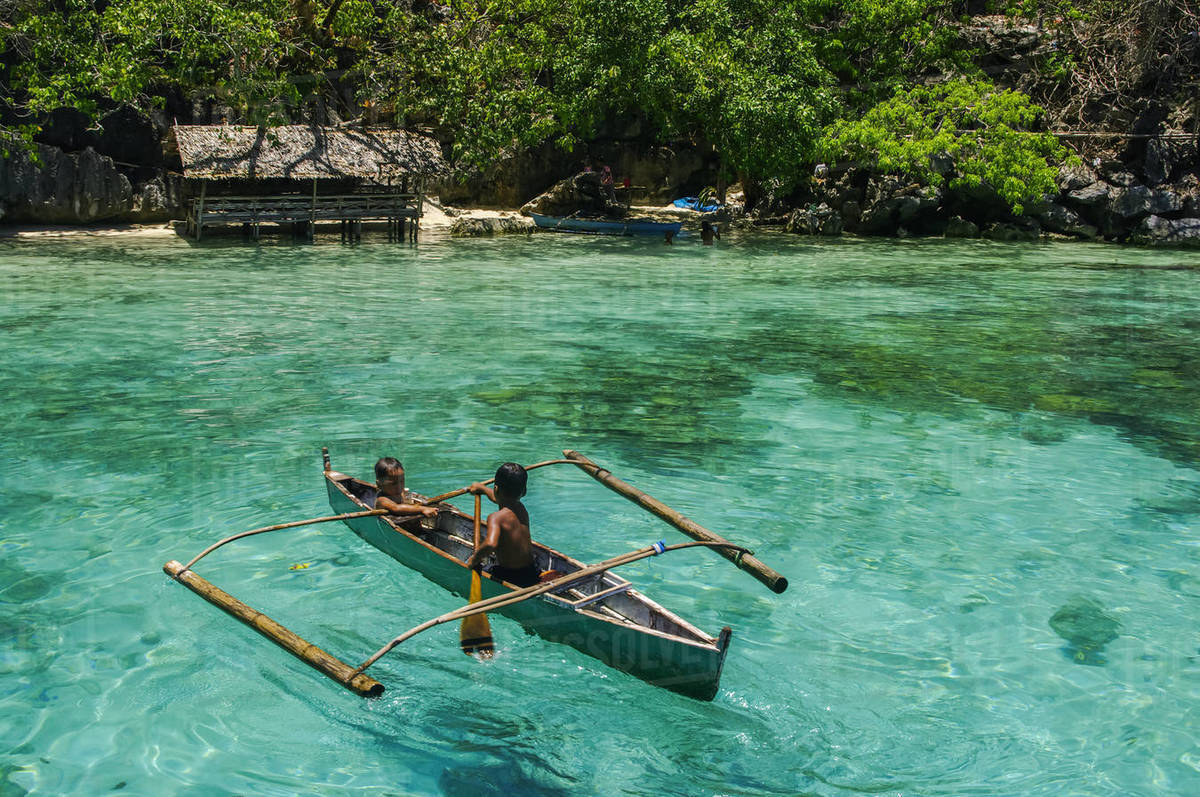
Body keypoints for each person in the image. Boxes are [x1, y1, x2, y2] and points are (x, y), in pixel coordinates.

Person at [465, 462, 538, 587]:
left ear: (496, 488)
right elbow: (499, 499)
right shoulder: (521, 508)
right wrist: (482, 489)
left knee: (475, 564)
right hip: (532, 571)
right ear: (524, 491)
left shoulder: (496, 518)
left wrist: (474, 559)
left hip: (510, 576)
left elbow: (490, 544)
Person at [373, 457, 438, 518]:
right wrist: (423, 509)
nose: (399, 487)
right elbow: (397, 508)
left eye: (402, 481)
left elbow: (414, 498)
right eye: (393, 484)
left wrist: (427, 501)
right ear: (379, 484)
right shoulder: (382, 500)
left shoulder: (402, 493)